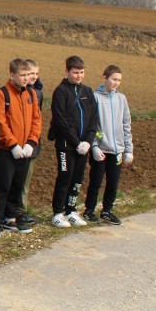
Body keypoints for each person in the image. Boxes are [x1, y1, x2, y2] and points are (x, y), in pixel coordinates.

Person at [0, 58, 41, 238]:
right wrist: (13, 144)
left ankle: (11, 217)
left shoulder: (31, 94)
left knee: (18, 184)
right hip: (6, 150)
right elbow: (1, 122)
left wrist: (31, 142)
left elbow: (36, 120)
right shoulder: (2, 94)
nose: (26, 79)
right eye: (22, 75)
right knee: (3, 185)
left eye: (28, 75)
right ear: (12, 75)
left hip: (25, 149)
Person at [49, 55, 99, 228]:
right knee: (65, 176)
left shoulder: (87, 91)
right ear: (67, 71)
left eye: (82, 72)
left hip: (83, 146)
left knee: (78, 178)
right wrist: (76, 142)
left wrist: (88, 141)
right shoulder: (61, 92)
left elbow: (94, 118)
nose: (79, 76)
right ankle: (57, 213)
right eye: (75, 72)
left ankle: (71, 210)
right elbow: (60, 120)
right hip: (66, 145)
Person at [84, 65, 134, 225]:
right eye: (113, 79)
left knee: (113, 182)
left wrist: (128, 149)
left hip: (117, 149)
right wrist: (94, 146)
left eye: (119, 80)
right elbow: (90, 124)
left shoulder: (122, 99)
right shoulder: (95, 97)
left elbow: (126, 124)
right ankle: (89, 210)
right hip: (100, 149)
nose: (116, 83)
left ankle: (107, 211)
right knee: (96, 181)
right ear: (104, 78)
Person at [18, 58, 44, 225]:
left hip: (32, 143)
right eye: (29, 73)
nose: (33, 77)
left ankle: (21, 210)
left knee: (25, 181)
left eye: (35, 73)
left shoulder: (38, 93)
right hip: (18, 143)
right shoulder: (21, 92)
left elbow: (37, 120)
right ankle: (16, 211)